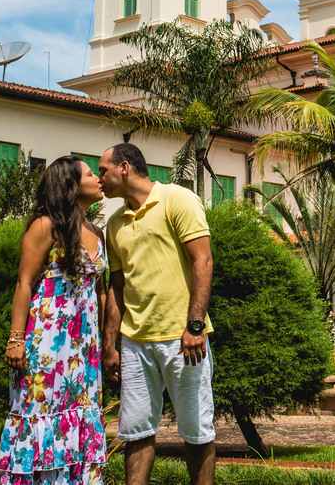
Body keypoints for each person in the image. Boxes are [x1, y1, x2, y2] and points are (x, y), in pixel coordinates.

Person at [98, 143, 215, 485]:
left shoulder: (177, 199)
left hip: (184, 340)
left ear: (124, 167)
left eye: (103, 170)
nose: (99, 178)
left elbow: (202, 261)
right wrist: (110, 344)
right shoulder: (115, 223)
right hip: (136, 342)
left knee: (197, 430)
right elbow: (116, 287)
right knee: (134, 432)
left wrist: (194, 326)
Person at [0, 157, 108, 485]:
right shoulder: (45, 226)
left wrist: (101, 343)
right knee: (40, 414)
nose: (98, 178)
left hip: (83, 349)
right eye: (90, 174)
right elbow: (24, 283)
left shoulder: (95, 231)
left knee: (80, 417)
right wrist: (16, 340)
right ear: (72, 185)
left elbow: (98, 292)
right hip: (47, 342)